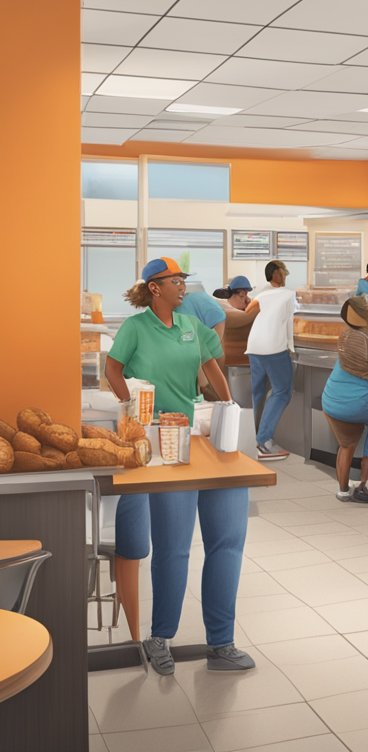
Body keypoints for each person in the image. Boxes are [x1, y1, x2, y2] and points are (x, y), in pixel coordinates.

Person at [106, 257, 254, 674]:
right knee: (173, 548)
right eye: (176, 281)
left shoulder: (192, 328)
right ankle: (160, 638)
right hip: (159, 444)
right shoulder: (135, 328)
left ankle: (221, 642)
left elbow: (212, 368)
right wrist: (128, 406)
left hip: (202, 438)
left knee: (227, 542)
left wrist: (226, 406)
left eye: (184, 280)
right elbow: (112, 368)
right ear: (155, 288)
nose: (183, 287)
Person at [322, 296, 368, 505]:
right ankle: (362, 485)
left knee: (346, 445)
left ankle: (343, 491)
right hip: (357, 402)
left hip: (330, 400)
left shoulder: (344, 336)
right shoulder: (363, 339)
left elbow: (362, 359)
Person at [246, 260, 297, 460]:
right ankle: (263, 441)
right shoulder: (289, 294)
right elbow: (296, 318)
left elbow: (247, 313)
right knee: (282, 392)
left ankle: (251, 439)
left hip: (254, 346)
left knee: (258, 392)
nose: (285, 275)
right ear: (276, 273)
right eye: (284, 272)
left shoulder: (260, 295)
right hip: (273, 347)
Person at [178, 283, 229, 401]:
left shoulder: (187, 314)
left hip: (212, 322)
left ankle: (223, 403)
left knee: (209, 380)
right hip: (196, 327)